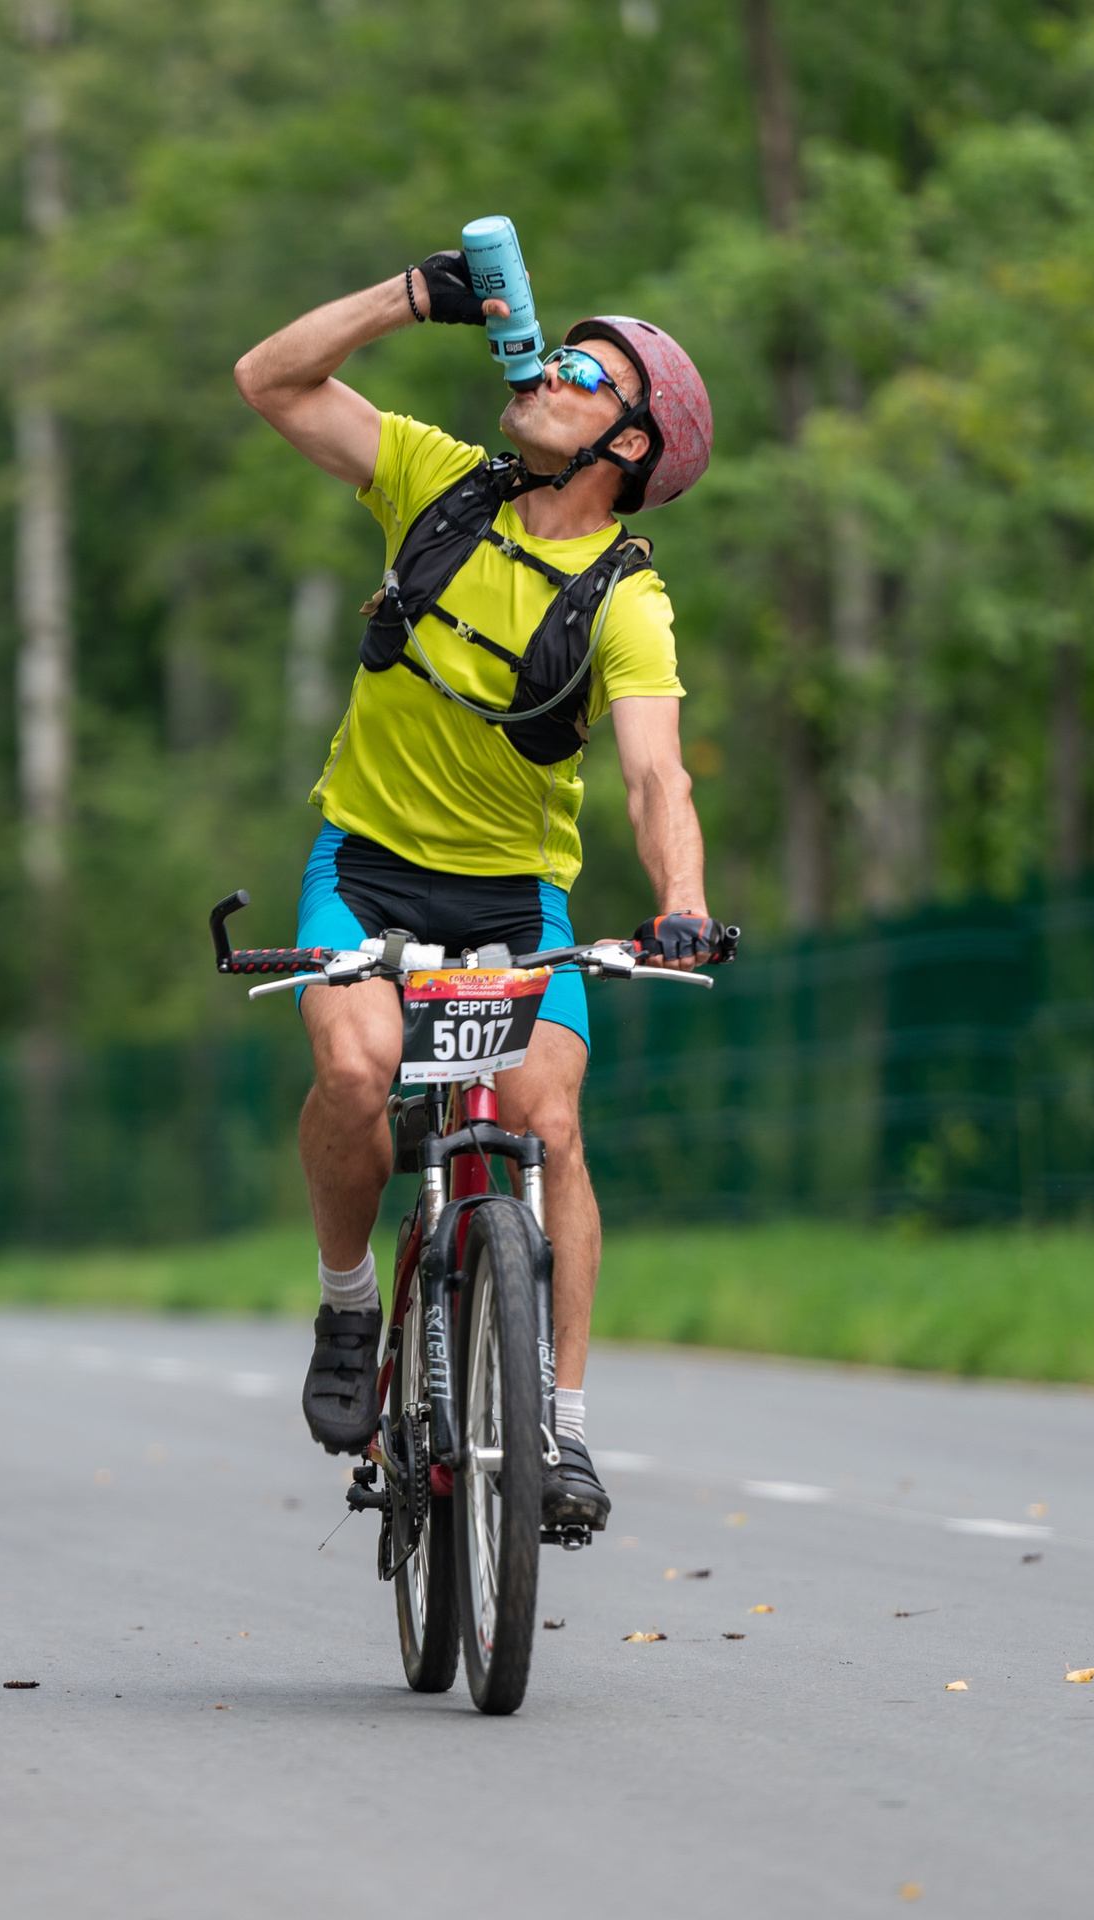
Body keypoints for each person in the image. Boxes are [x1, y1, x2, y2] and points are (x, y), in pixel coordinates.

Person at [233, 245, 727, 1533]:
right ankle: (350, 1308)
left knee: (550, 1126)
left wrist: (679, 899)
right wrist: (407, 298)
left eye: (583, 376)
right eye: (549, 356)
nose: (546, 374)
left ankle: (560, 1428)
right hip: (368, 870)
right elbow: (269, 380)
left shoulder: (628, 601)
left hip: (513, 902)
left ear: (626, 444)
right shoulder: (436, 482)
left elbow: (655, 776)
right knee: (354, 1071)